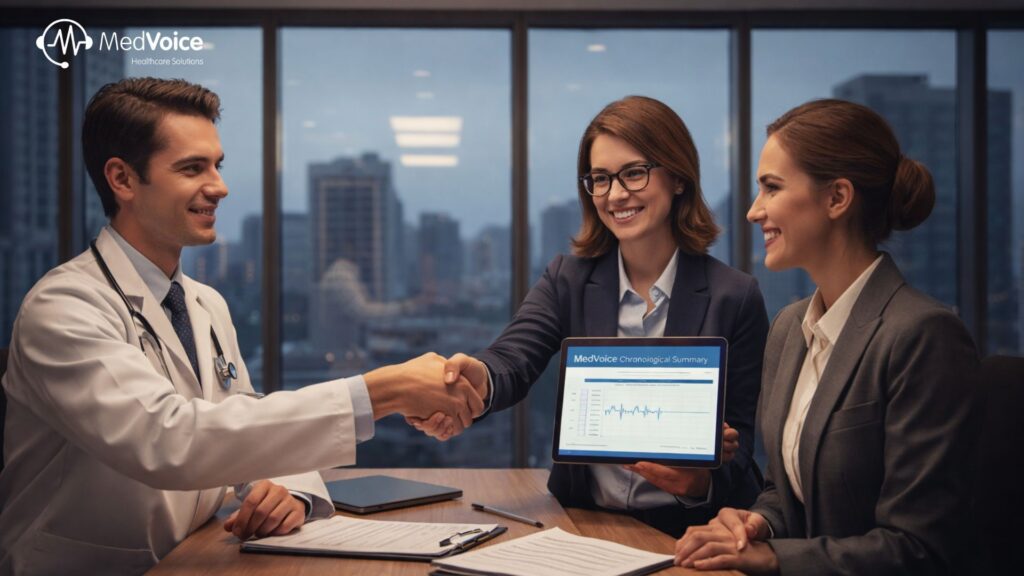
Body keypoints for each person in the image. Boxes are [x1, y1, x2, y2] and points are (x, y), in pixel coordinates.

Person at [0, 77, 483, 575]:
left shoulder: (204, 304)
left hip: (194, 560)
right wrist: (381, 392)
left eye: (217, 165)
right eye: (192, 168)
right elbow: (170, 440)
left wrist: (289, 489)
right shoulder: (64, 307)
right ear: (122, 179)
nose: (220, 186)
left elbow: (244, 420)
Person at [411, 95, 769, 537]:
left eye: (634, 173)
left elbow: (745, 442)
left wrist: (702, 479)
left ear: (677, 177)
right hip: (583, 524)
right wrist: (475, 379)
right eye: (600, 179)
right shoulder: (568, 279)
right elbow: (513, 360)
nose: (616, 194)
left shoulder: (735, 296)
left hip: (691, 533)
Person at [674, 99, 978, 574]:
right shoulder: (790, 329)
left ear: (837, 198)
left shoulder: (923, 336)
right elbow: (784, 491)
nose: (754, 211)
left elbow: (919, 547)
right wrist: (756, 523)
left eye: (771, 188)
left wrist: (774, 557)